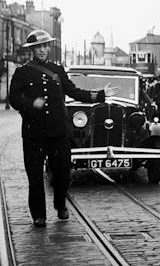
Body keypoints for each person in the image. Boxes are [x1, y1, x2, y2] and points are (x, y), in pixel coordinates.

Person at [9, 30, 119, 227]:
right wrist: (31, 104)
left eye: (44, 46)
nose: (42, 50)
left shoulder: (58, 71)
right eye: (38, 47)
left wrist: (101, 95)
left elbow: (74, 92)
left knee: (62, 171)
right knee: (34, 176)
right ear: (32, 50)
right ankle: (39, 215)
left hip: (58, 132)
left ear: (49, 48)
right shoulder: (22, 72)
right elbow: (14, 98)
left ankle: (60, 204)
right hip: (34, 133)